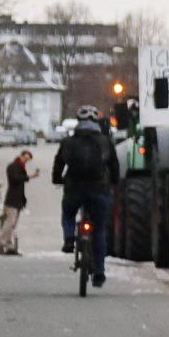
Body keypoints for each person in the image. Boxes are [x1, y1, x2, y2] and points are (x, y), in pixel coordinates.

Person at [52, 109, 119, 284]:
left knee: (68, 213)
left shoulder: (68, 142)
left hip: (74, 188)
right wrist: (113, 182)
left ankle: (68, 239)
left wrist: (57, 180)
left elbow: (59, 163)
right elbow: (114, 165)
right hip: (99, 189)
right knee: (99, 229)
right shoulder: (105, 141)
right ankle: (99, 272)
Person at [0, 150, 30, 255]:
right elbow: (15, 179)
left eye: (28, 159)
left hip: (18, 200)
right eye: (25, 158)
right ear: (21, 156)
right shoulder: (13, 167)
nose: (26, 161)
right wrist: (29, 177)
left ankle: (8, 243)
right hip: (12, 199)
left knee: (13, 224)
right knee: (9, 222)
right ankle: (1, 242)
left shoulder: (20, 167)